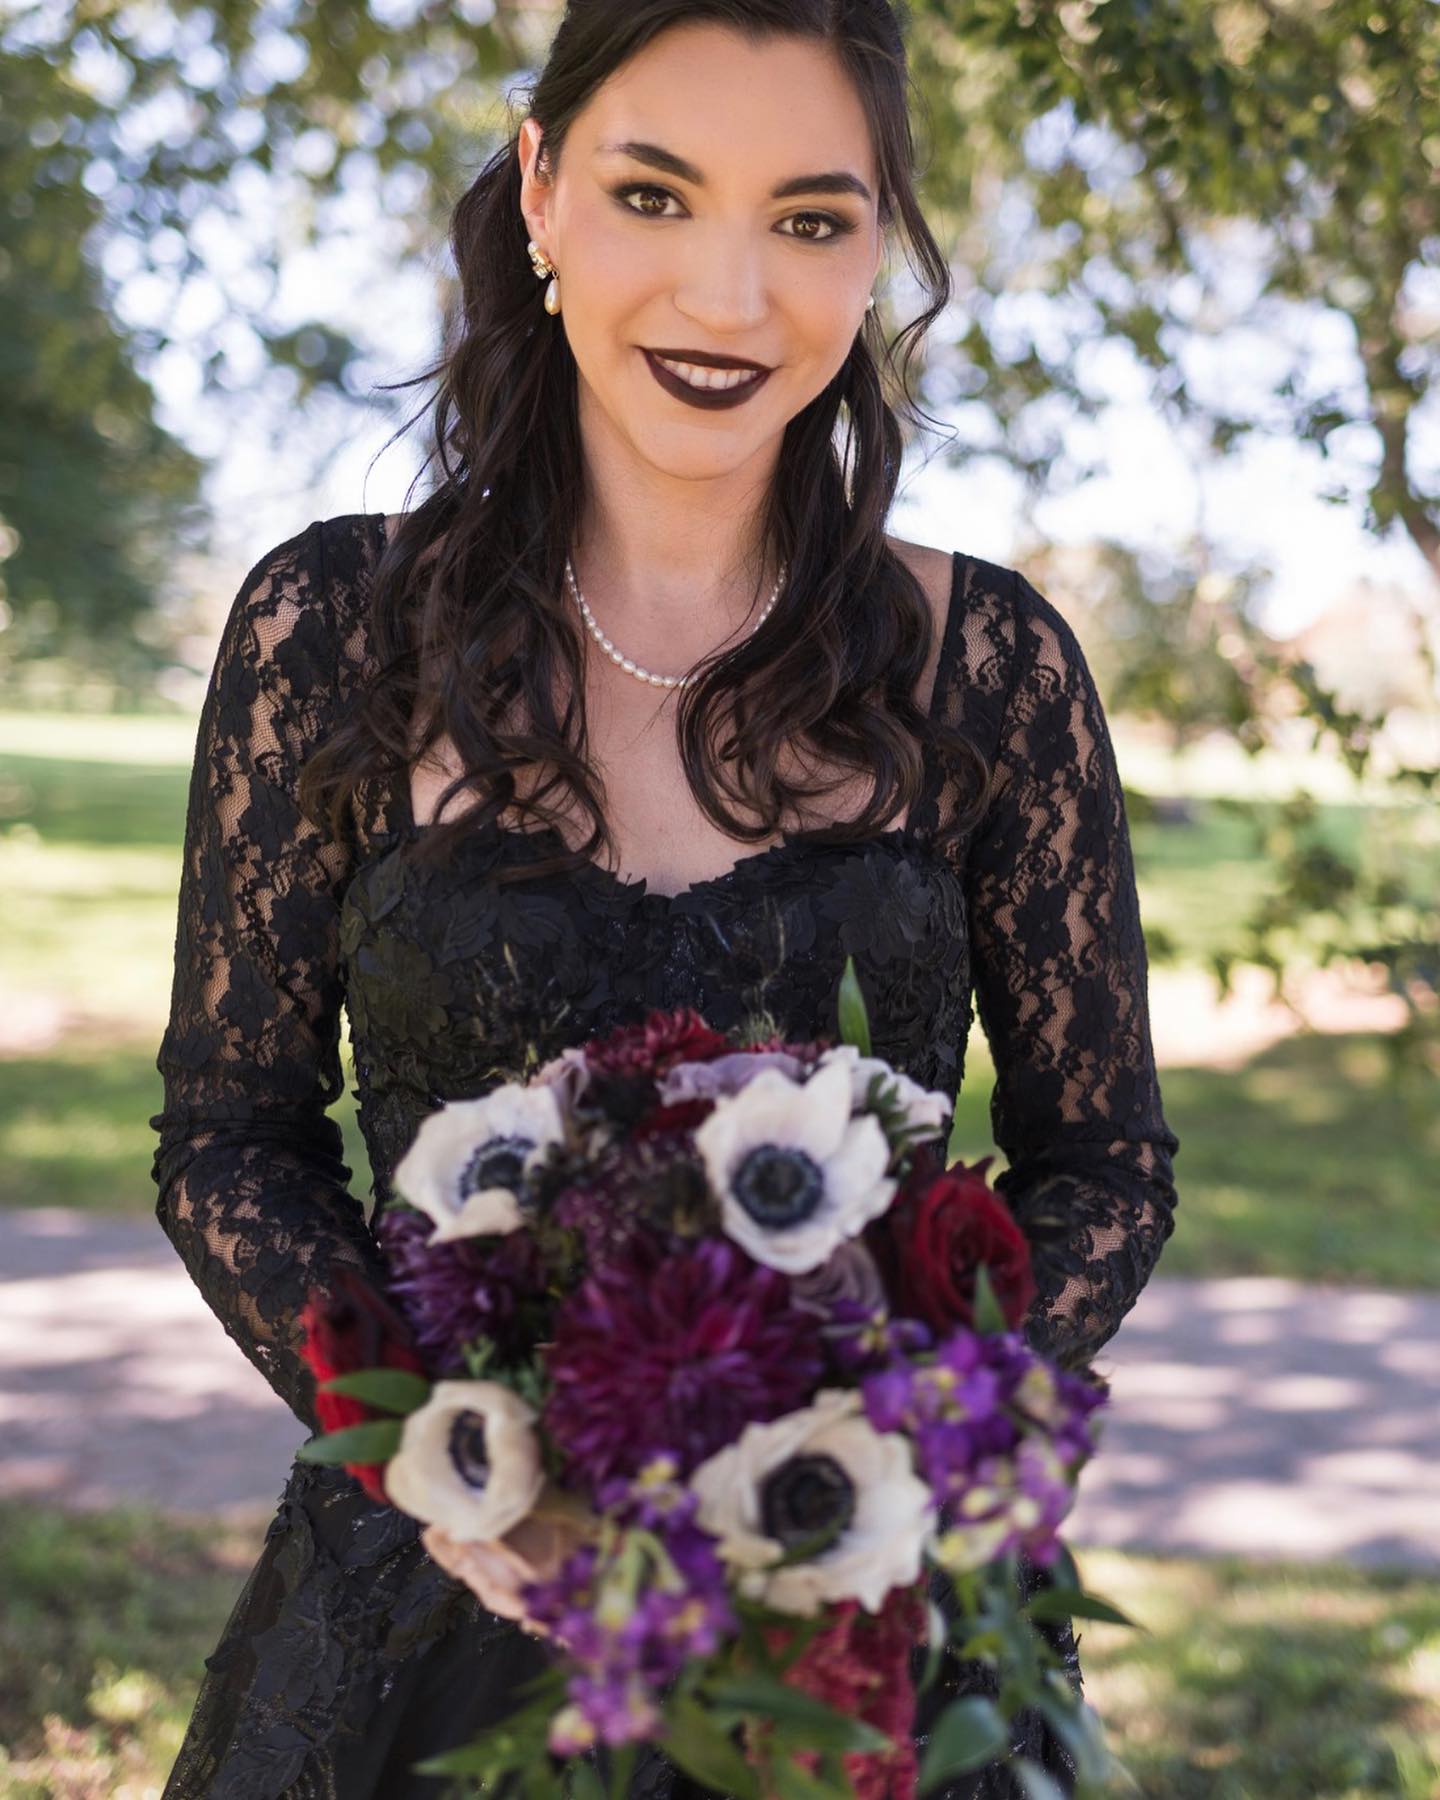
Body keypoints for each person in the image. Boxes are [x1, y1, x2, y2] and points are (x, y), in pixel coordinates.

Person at [149, 2, 1180, 1794]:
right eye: (654, 194)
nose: (728, 294)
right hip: (425, 1621)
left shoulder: (988, 666)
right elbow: (231, 1137)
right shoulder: (334, 632)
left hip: (853, 1640)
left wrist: (877, 1457)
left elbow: (1105, 1165)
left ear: (877, 248)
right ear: (542, 190)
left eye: (809, 218)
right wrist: (447, 1461)